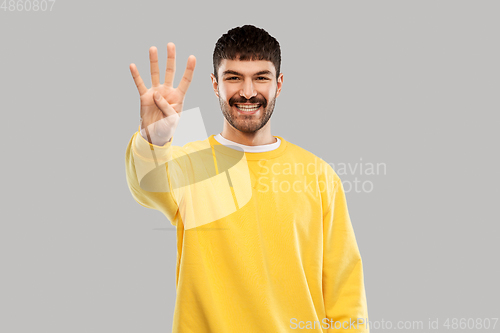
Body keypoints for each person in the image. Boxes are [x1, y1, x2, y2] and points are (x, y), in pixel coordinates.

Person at [125, 25, 369, 332]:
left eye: (261, 77)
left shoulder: (318, 174)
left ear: (279, 84)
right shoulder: (189, 161)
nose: (248, 92)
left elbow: (345, 294)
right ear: (215, 84)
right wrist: (154, 139)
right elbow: (146, 186)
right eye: (233, 77)